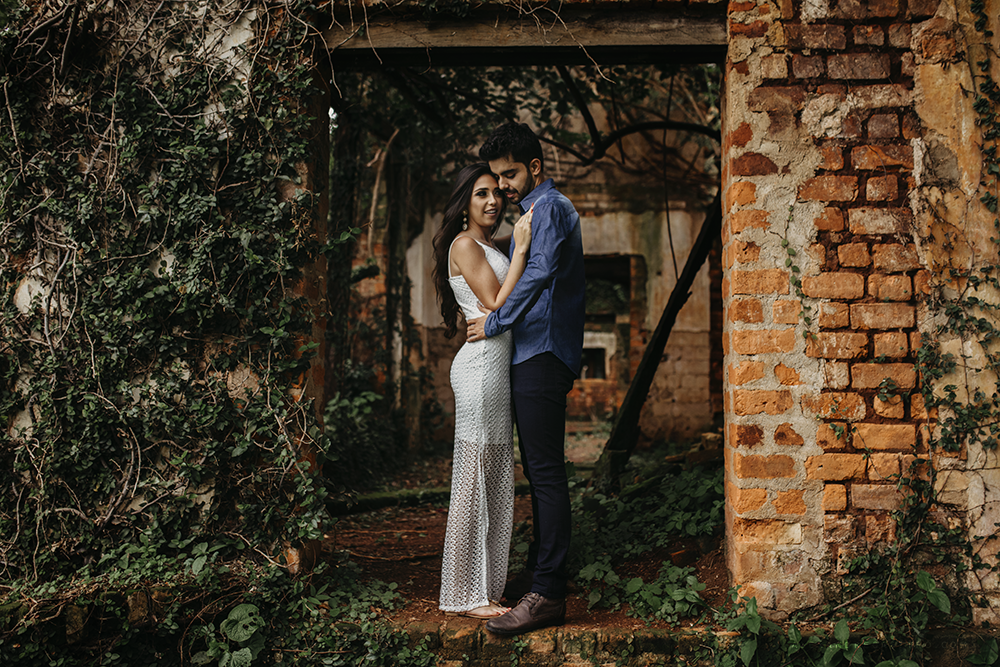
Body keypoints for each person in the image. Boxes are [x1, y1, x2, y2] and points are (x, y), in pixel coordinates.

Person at [466, 122, 586, 635]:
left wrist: (494, 321)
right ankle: (543, 574)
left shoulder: (551, 208)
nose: (503, 186)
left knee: (546, 473)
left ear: (535, 167)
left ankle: (549, 593)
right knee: (538, 474)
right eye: (496, 177)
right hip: (529, 356)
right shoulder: (529, 214)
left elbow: (538, 276)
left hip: (544, 355)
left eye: (510, 174)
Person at [432, 162, 534, 619]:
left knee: (495, 481)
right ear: (464, 203)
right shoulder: (464, 244)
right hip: (478, 371)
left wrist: (512, 252)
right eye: (480, 194)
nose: (493, 200)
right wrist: (522, 253)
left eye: (496, 192)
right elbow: (495, 303)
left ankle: (486, 588)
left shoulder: (488, 245)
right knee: (473, 480)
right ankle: (463, 595)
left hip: (496, 369)